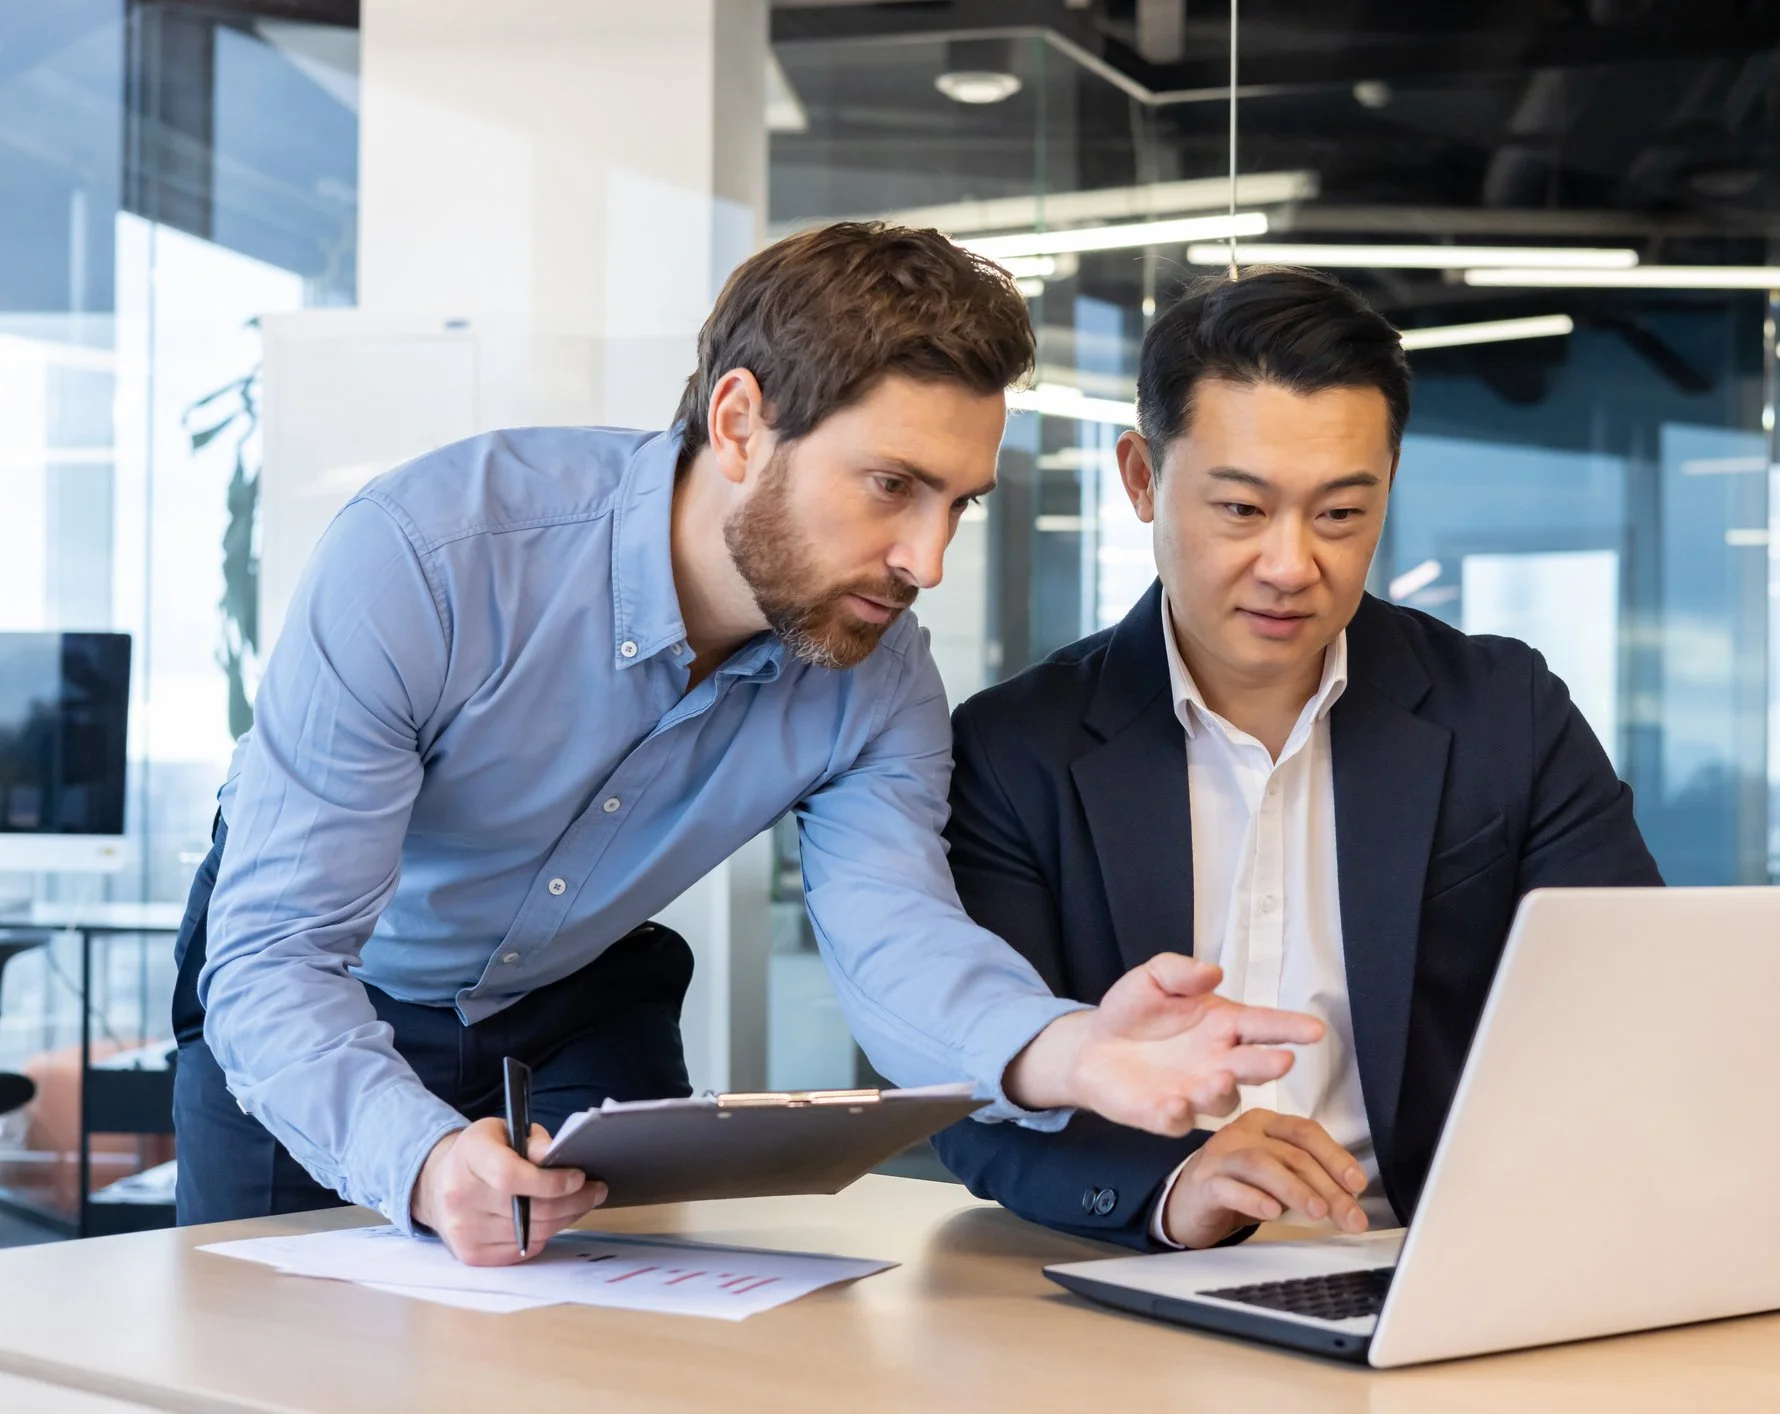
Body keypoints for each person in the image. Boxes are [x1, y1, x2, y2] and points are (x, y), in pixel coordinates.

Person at [172, 224, 1325, 1266]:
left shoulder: (880, 675)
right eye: (891, 486)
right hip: (319, 987)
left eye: (957, 503)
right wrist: (419, 1162)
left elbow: (895, 937)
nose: (925, 560)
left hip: (575, 1000)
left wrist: (1072, 1049)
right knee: (270, 1349)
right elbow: (277, 955)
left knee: (629, 1362)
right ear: (738, 423)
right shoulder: (431, 559)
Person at [931, 268, 1663, 1250]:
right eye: (1239, 510)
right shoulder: (1014, 748)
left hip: (1432, 1258)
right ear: (1140, 478)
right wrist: (1174, 1186)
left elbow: (1631, 1005)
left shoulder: (1503, 712)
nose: (1289, 565)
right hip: (1141, 1269)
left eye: (1338, 515)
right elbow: (971, 1096)